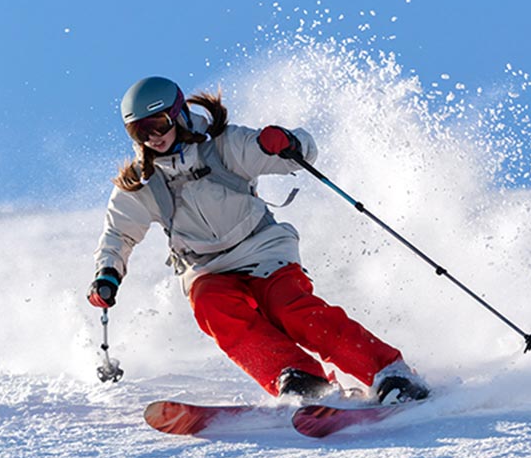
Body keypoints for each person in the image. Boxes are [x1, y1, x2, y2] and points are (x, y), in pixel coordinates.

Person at [89, 76, 429, 404]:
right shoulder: (141, 182)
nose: (153, 137)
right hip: (206, 267)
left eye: (159, 124)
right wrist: (108, 273)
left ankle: (389, 372)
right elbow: (119, 233)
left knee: (290, 308)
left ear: (178, 115)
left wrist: (286, 143)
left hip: (262, 248)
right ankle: (298, 377)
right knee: (213, 307)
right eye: (140, 130)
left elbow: (303, 153)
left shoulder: (224, 146)